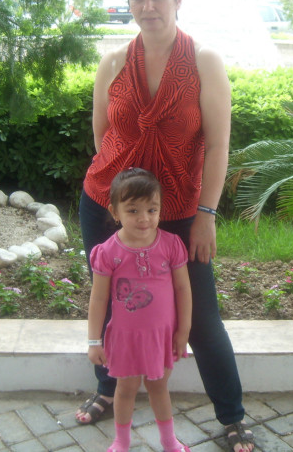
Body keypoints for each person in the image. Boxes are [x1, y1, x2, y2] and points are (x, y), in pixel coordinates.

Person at [75, 0, 256, 452]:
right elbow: (103, 136)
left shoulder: (203, 62)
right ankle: (108, 388)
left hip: (177, 212)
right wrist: (121, 207)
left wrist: (206, 213)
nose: (148, 6)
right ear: (129, 1)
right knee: (113, 298)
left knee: (201, 317)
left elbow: (218, 146)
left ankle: (232, 416)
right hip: (108, 206)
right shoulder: (113, 62)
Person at [87, 168, 192, 452]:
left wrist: (183, 331)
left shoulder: (171, 245)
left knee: (159, 388)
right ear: (115, 212)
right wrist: (94, 341)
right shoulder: (108, 252)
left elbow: (183, 289)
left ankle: (169, 441)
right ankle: (121, 442)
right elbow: (98, 299)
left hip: (162, 337)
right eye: (133, 210)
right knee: (125, 390)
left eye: (151, 209)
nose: (144, 218)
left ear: (160, 209)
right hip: (126, 338)